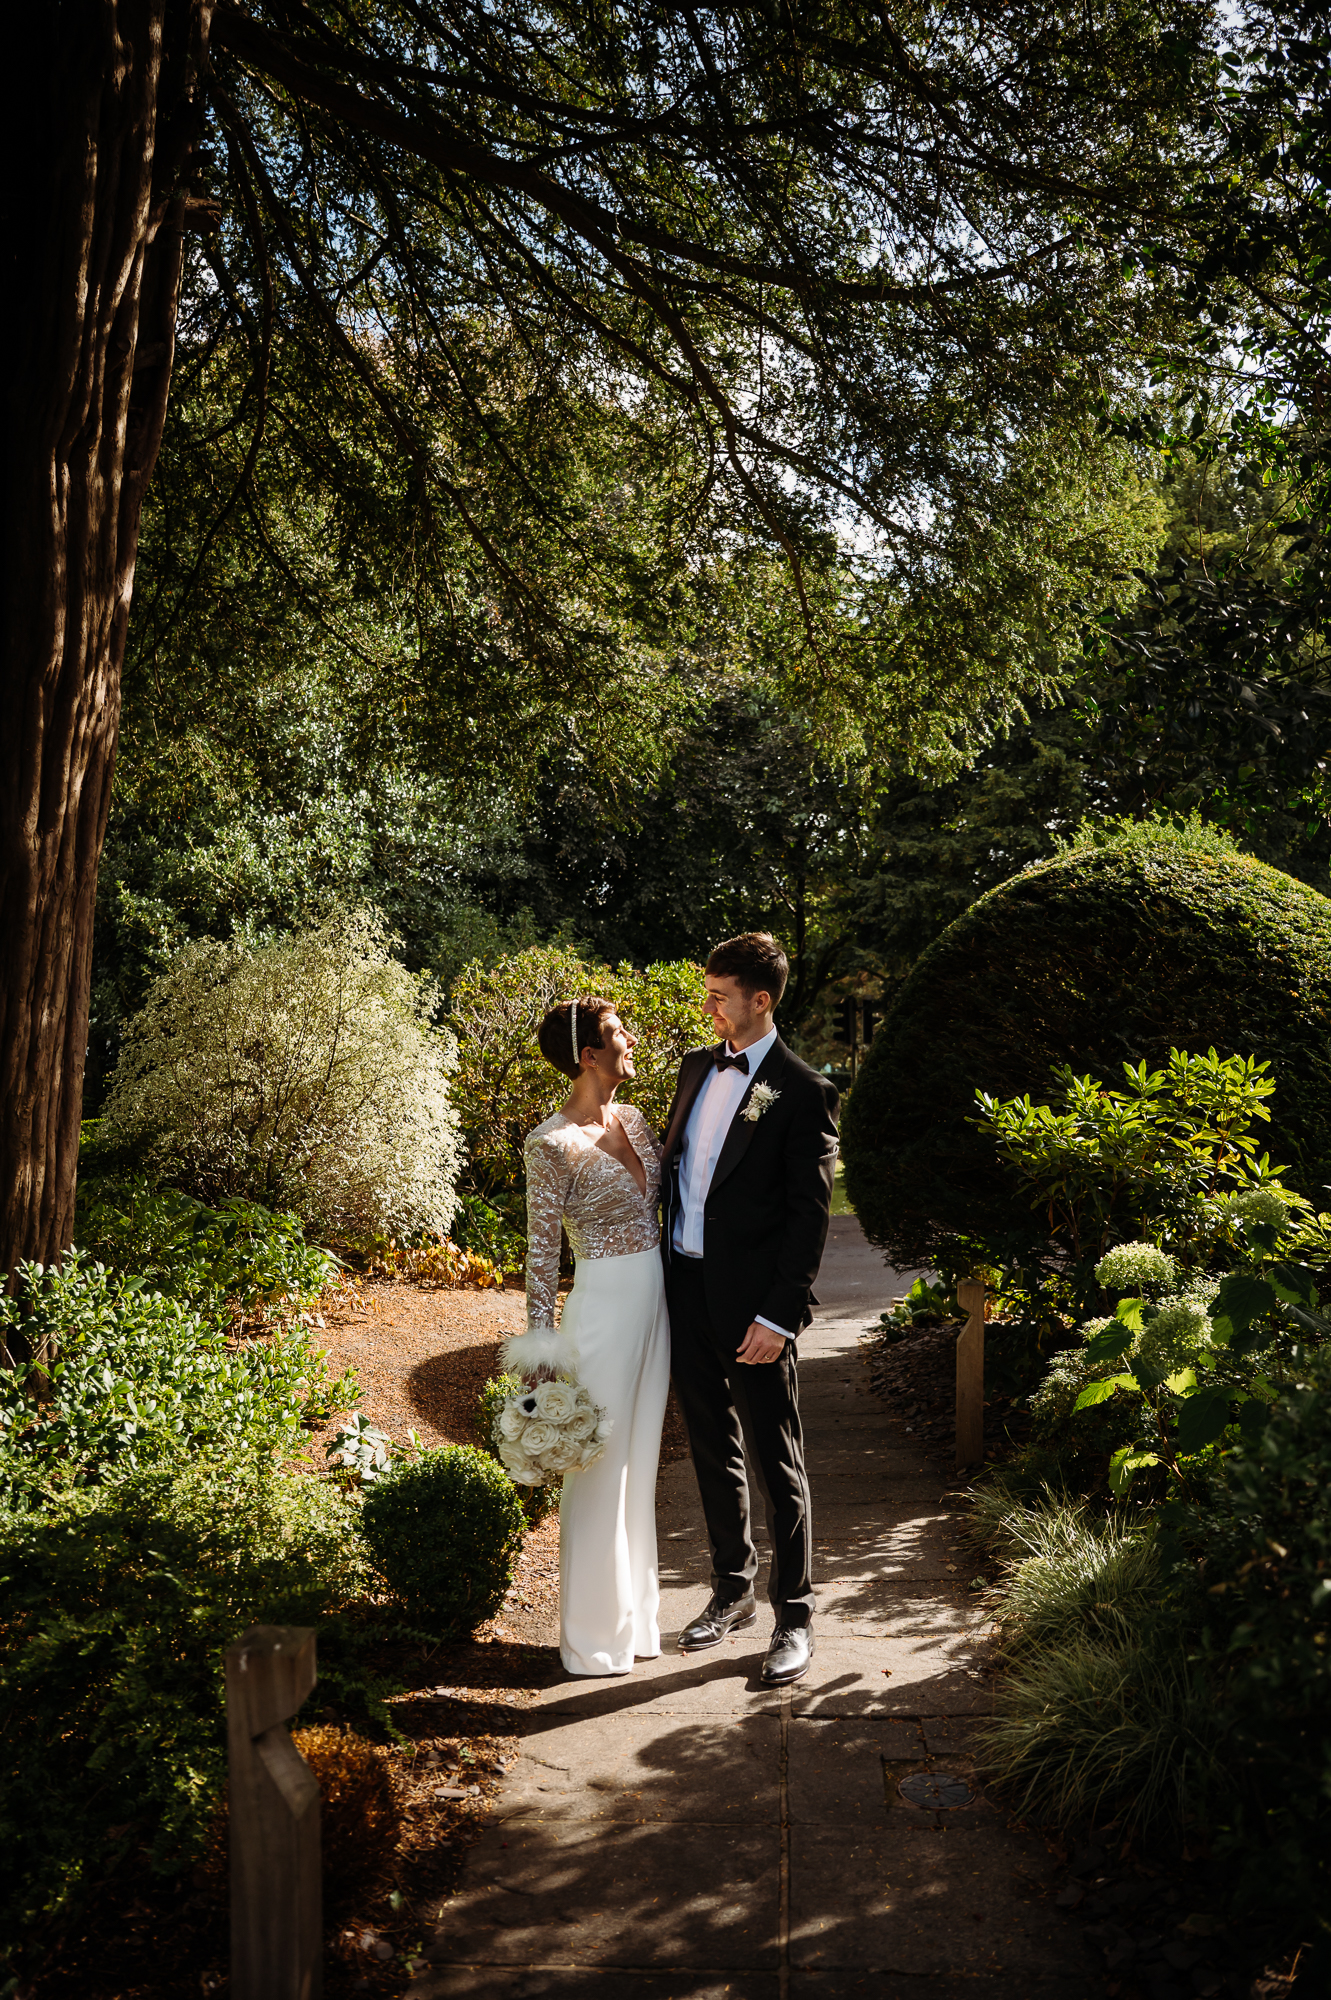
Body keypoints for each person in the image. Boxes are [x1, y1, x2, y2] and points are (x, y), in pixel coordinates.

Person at [661, 932, 839, 1687]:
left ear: (758, 1000)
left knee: (777, 1459)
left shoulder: (802, 1090)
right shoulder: (696, 1068)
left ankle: (792, 1616)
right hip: (685, 1290)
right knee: (710, 1448)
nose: (708, 1008)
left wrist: (779, 1315)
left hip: (754, 1310)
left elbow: (809, 1216)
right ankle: (730, 1592)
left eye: (718, 995)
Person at [501, 998, 670, 1676]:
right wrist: (540, 1357)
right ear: (588, 1056)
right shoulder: (549, 1145)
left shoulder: (633, 1119)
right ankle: (590, 1639)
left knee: (639, 1464)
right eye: (616, 1033)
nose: (631, 1038)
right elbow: (541, 1257)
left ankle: (635, 1624)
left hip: (655, 1305)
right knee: (596, 1469)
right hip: (600, 1309)